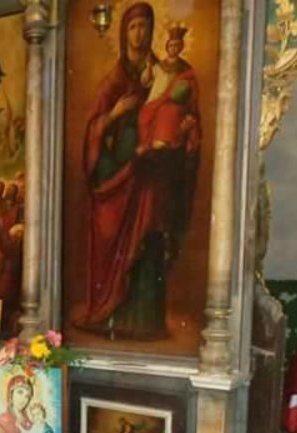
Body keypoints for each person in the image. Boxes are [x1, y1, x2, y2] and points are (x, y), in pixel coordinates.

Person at [76, 3, 200, 341]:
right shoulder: (114, 79)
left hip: (151, 172)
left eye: (145, 26)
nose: (139, 33)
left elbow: (183, 110)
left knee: (148, 238)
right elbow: (93, 130)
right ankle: (109, 313)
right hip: (119, 170)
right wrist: (116, 114)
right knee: (115, 235)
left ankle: (144, 321)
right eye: (132, 27)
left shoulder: (166, 73)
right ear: (123, 32)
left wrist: (185, 129)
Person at [138, 25, 201, 154]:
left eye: (177, 45)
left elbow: (190, 89)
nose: (173, 48)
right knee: (144, 115)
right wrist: (149, 67)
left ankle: (163, 144)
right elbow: (146, 81)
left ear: (181, 47)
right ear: (167, 47)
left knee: (167, 112)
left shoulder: (185, 68)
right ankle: (146, 144)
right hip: (156, 99)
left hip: (174, 102)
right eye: (171, 45)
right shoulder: (159, 66)